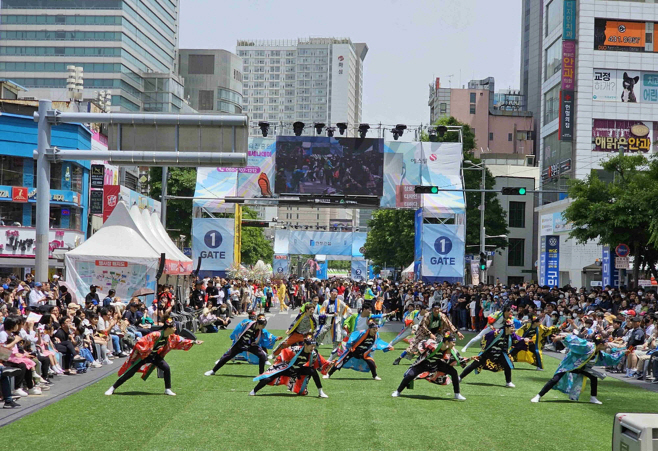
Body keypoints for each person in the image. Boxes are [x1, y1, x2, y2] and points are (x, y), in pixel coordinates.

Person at [105, 318, 202, 396]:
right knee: (130, 373)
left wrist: (194, 342)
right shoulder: (155, 334)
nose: (175, 329)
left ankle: (167, 389)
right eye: (174, 327)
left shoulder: (170, 336)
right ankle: (112, 388)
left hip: (155, 356)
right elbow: (140, 343)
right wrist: (138, 355)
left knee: (166, 368)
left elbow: (180, 341)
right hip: (143, 356)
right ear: (168, 328)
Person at [531, 334, 622, 404]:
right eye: (605, 343)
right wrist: (562, 337)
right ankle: (538, 396)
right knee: (555, 379)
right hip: (569, 364)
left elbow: (610, 358)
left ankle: (593, 398)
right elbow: (575, 340)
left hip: (580, 367)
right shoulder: (588, 346)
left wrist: (623, 352)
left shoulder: (599, 352)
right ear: (600, 344)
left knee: (594, 378)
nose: (607, 344)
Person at [392, 332, 472, 400]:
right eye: (453, 342)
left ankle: (457, 394)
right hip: (423, 363)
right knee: (410, 375)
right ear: (447, 342)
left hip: (436, 364)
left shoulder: (451, 350)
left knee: (454, 372)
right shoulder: (434, 345)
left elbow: (459, 359)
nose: (454, 344)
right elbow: (423, 343)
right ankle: (398, 391)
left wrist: (470, 359)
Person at [250, 335, 331, 397]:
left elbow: (317, 364)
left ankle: (320, 392)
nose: (313, 348)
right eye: (311, 346)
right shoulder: (295, 349)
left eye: (314, 346)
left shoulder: (314, 353)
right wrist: (278, 360)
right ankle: (254, 391)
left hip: (299, 369)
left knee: (313, 371)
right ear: (305, 345)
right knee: (270, 377)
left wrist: (328, 365)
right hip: (287, 368)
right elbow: (284, 353)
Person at [459, 319, 526, 388]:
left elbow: (518, 339)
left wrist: (524, 340)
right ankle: (460, 377)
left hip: (500, 353)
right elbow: (484, 338)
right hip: (489, 352)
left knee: (507, 364)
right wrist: (484, 349)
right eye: (511, 328)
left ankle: (508, 382)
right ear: (506, 328)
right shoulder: (496, 333)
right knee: (475, 364)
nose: (513, 330)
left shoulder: (511, 335)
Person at [205, 313, 273, 376]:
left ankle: (261, 374)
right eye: (263, 325)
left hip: (250, 345)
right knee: (227, 356)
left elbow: (265, 336)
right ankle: (213, 371)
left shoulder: (260, 330)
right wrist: (234, 337)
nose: (264, 327)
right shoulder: (248, 324)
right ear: (258, 324)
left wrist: (273, 339)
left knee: (262, 355)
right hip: (240, 344)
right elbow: (239, 328)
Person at [393, 303, 462, 365]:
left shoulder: (442, 316)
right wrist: (430, 334)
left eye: (438, 309)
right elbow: (424, 326)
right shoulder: (427, 315)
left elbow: (449, 324)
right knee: (413, 346)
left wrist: (457, 332)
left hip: (437, 333)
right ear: (432, 309)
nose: (436, 310)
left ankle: (455, 358)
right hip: (423, 333)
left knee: (444, 344)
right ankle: (399, 358)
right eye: (435, 309)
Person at [324, 321, 392, 381]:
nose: (375, 330)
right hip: (353, 351)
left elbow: (379, 343)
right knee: (340, 362)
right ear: (370, 329)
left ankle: (375, 376)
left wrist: (387, 346)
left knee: (371, 362)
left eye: (376, 329)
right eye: (374, 329)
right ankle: (329, 374)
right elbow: (353, 336)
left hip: (364, 353)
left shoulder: (376, 335)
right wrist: (349, 346)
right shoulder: (362, 333)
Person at [318, 289, 352, 358]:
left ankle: (335, 352)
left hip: (336, 323)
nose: (335, 294)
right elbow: (322, 312)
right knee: (320, 335)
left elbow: (346, 308)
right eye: (333, 292)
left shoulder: (340, 302)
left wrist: (349, 312)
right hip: (327, 322)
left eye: (336, 293)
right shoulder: (326, 302)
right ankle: (314, 348)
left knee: (337, 338)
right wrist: (330, 315)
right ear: (330, 293)